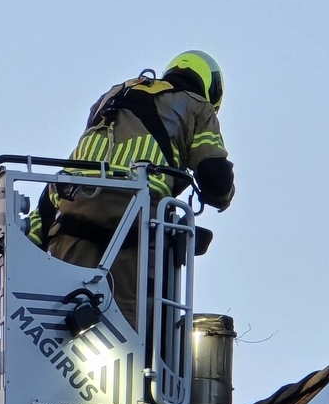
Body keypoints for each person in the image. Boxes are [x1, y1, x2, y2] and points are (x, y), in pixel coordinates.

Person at [27, 50, 235, 330]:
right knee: (125, 327)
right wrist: (222, 196)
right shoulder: (196, 106)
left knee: (63, 312)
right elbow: (214, 175)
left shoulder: (113, 96)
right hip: (135, 217)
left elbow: (76, 163)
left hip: (72, 211)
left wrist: (33, 236)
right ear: (211, 88)